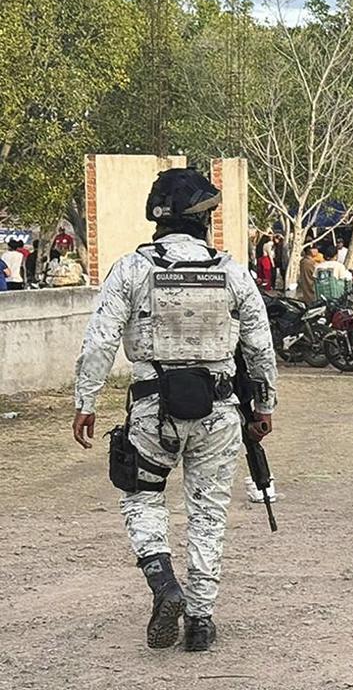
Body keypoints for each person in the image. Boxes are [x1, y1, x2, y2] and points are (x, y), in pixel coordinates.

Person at [71, 167, 277, 651]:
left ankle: (164, 581)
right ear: (203, 220)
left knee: (142, 498)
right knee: (208, 512)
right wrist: (265, 405)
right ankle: (200, 620)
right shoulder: (232, 271)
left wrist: (86, 401)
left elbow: (100, 340)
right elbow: (260, 346)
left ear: (158, 218)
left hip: (152, 408)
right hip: (220, 411)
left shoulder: (131, 269)